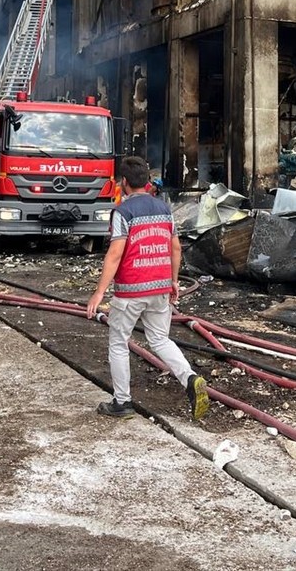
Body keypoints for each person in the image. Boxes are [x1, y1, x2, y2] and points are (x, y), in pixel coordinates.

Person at [86, 155, 209, 421]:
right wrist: (174, 281)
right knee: (160, 339)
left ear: (124, 183)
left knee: (118, 342)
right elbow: (175, 247)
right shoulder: (164, 209)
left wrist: (99, 293)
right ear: (148, 182)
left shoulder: (122, 211)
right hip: (160, 288)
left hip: (131, 290)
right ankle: (190, 378)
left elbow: (115, 253)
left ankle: (122, 402)